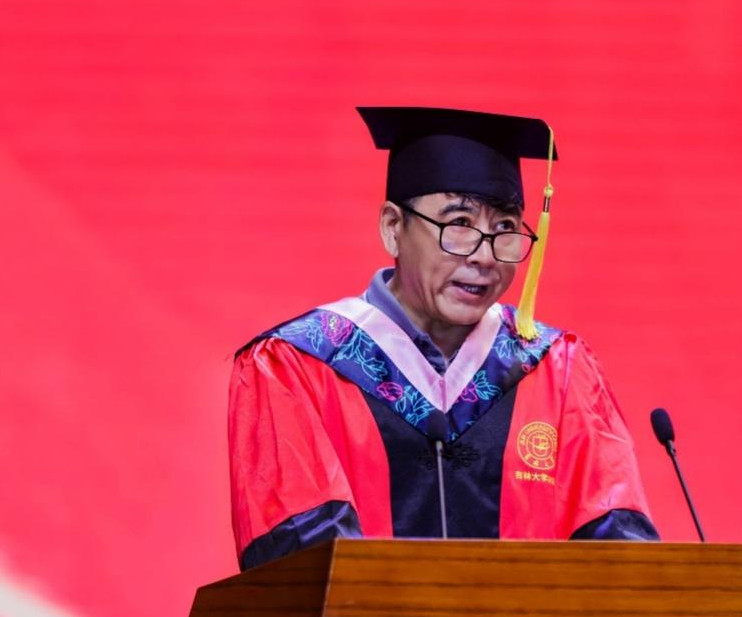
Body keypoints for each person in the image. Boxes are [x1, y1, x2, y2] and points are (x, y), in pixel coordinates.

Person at [229, 107, 658, 570]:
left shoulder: (559, 370)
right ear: (393, 228)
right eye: (459, 224)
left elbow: (621, 558)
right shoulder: (299, 365)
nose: (484, 256)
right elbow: (300, 563)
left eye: (505, 228)